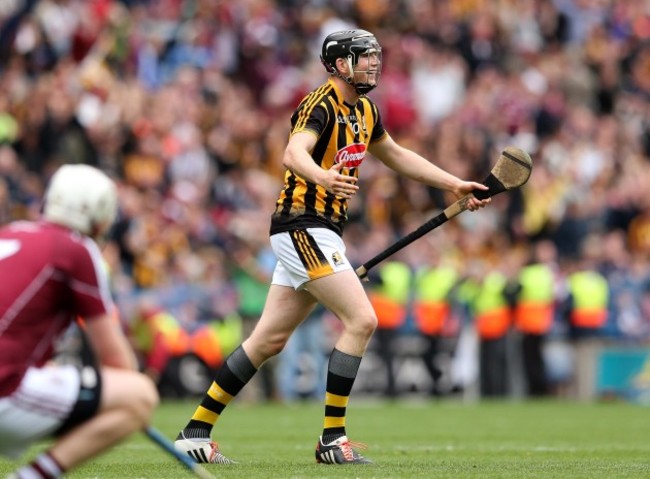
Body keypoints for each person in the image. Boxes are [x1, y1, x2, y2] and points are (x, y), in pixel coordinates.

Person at [174, 28, 490, 465]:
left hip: (321, 232)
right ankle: (331, 440)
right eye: (365, 57)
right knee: (361, 319)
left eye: (376, 56)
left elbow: (396, 155)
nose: (374, 63)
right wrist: (322, 177)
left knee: (268, 340)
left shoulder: (366, 111)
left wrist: (454, 184)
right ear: (340, 63)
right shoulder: (320, 103)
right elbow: (293, 152)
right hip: (301, 226)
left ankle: (195, 432)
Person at [0, 164, 159, 479]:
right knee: (139, 395)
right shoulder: (76, 249)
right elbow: (119, 363)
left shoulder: (11, 231)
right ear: (101, 218)